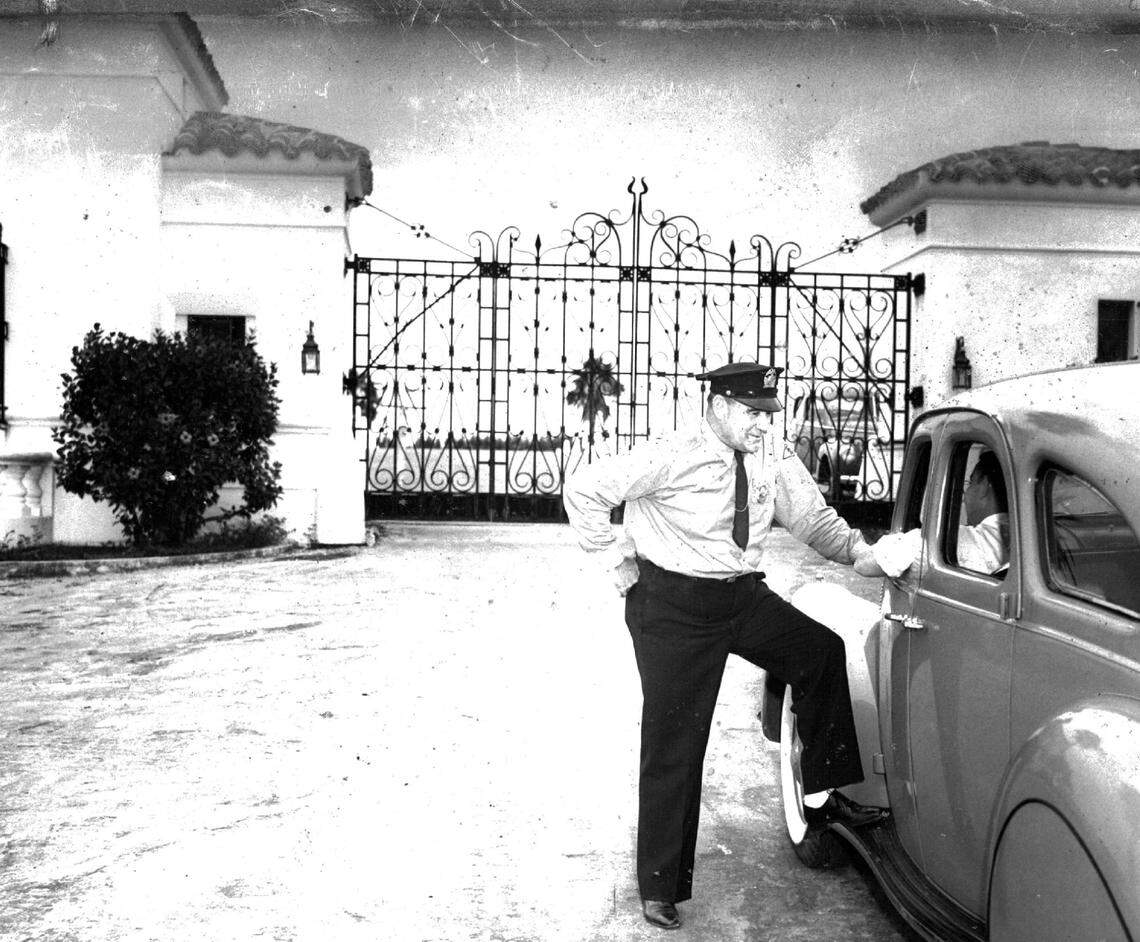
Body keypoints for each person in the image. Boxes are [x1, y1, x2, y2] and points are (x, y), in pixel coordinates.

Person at [562, 362, 889, 931]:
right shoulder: (672, 451)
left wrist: (864, 555)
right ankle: (660, 885)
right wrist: (616, 554)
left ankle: (820, 798)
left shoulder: (770, 454)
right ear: (716, 404)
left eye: (768, 413)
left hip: (739, 596)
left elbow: (813, 519)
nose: (762, 425)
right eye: (751, 413)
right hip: (672, 606)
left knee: (820, 652)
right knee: (676, 740)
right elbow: (585, 489)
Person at [859, 448, 1009, 578]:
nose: (965, 494)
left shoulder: (946, 541)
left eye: (970, 483)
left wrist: (893, 541)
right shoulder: (1027, 540)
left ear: (984, 486)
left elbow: (864, 565)